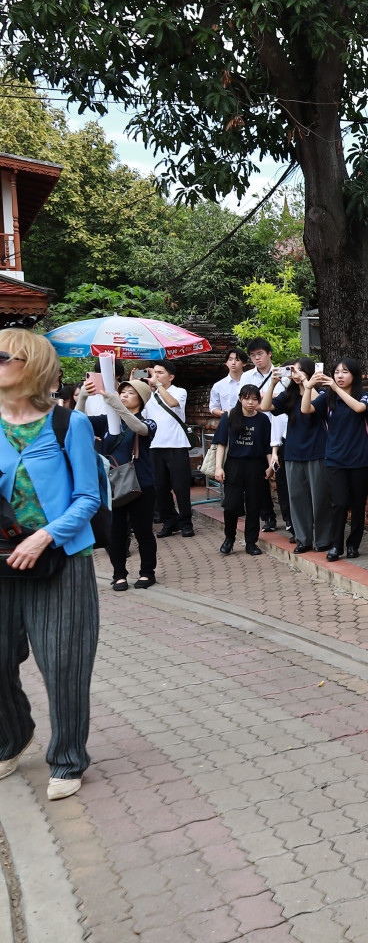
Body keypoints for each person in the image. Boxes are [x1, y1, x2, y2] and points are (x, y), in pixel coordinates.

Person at [0, 328, 102, 802]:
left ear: (30, 364)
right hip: (1, 560)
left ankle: (67, 757)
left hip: (60, 559)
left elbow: (88, 498)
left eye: (2, 356)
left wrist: (45, 536)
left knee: (63, 662)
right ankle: (11, 737)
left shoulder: (67, 425)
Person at [85, 376, 157, 590]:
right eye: (122, 391)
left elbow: (139, 428)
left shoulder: (148, 421)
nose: (124, 395)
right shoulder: (107, 420)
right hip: (112, 485)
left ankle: (147, 573)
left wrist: (117, 405)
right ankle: (119, 574)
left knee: (143, 530)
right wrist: (82, 398)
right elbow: (78, 420)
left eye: (130, 393)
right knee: (115, 532)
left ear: (141, 400)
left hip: (141, 484)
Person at [303, 358, 368, 561]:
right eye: (336, 372)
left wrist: (335, 388)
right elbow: (305, 409)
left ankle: (353, 545)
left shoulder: (365, 396)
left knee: (358, 505)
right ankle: (336, 546)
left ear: (354, 375)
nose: (339, 376)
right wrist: (308, 388)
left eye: (344, 372)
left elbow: (359, 408)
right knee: (340, 503)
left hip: (361, 459)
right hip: (335, 459)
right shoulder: (327, 397)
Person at [274, 358, 334, 554]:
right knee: (297, 498)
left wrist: (309, 385)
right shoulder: (288, 394)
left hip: (317, 451)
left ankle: (323, 539)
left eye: (300, 370)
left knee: (320, 498)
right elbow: (265, 407)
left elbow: (309, 407)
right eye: (293, 370)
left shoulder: (323, 392)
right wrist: (273, 382)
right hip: (293, 453)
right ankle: (303, 539)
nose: (296, 374)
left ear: (309, 371)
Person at [210, 383, 275, 555]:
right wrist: (218, 468)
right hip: (234, 464)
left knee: (254, 505)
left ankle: (251, 542)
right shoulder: (230, 416)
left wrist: (270, 466)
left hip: (256, 465)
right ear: (240, 399)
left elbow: (267, 446)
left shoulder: (263, 419)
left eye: (255, 399)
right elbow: (221, 444)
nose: (250, 402)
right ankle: (229, 537)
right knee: (231, 505)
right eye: (246, 398)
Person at [245, 339, 291, 534]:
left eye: (260, 354)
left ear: (270, 354)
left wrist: (263, 396)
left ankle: (289, 519)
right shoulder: (247, 376)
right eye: (253, 355)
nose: (257, 358)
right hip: (257, 429)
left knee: (282, 476)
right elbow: (246, 401)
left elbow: (288, 399)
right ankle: (268, 517)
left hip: (280, 430)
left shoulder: (284, 375)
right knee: (259, 475)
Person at [143, 359, 194, 538]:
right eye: (154, 372)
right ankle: (169, 521)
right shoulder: (148, 395)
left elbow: (172, 403)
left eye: (160, 373)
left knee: (181, 487)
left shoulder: (179, 391)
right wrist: (139, 385)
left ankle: (186, 522)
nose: (155, 376)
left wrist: (159, 387)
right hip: (155, 446)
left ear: (170, 377)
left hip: (177, 445)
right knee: (160, 487)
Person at [209, 347, 249, 418]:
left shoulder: (250, 381)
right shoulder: (218, 385)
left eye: (237, 360)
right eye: (230, 360)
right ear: (226, 363)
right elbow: (213, 407)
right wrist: (221, 413)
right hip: (228, 421)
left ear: (244, 363)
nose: (233, 363)